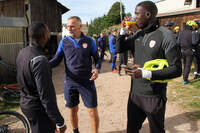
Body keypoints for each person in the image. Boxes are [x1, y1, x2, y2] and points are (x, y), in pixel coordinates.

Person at [116, 1, 182, 133]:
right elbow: (120, 48)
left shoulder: (166, 36)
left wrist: (146, 73)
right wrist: (123, 30)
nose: (134, 17)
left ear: (147, 14)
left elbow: (176, 69)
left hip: (154, 96)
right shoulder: (139, 34)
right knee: (131, 129)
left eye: (136, 13)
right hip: (135, 94)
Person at [49, 16, 100, 133]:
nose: (69, 28)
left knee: (92, 111)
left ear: (80, 26)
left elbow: (97, 59)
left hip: (87, 81)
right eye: (68, 26)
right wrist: (43, 64)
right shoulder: (64, 41)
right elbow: (56, 59)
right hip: (70, 82)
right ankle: (76, 131)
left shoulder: (89, 41)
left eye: (72, 26)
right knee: (72, 110)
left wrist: (97, 69)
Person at [16, 22, 66, 133]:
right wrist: (59, 121)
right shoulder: (40, 59)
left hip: (25, 103)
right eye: (48, 33)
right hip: (38, 110)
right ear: (45, 35)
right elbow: (46, 97)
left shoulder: (22, 53)